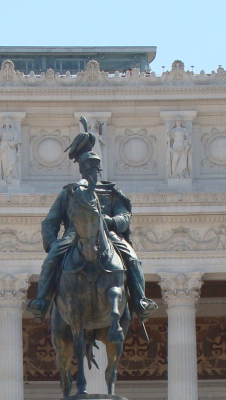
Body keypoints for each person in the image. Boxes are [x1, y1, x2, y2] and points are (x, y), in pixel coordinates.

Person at [25, 127, 157, 323]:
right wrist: (52, 243)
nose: (93, 170)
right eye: (88, 167)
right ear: (82, 168)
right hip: (73, 235)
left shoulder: (110, 191)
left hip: (107, 234)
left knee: (132, 258)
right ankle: (41, 301)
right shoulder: (71, 192)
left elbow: (124, 215)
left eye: (95, 167)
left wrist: (111, 221)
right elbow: (51, 221)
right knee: (52, 259)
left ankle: (140, 300)